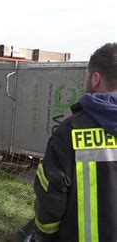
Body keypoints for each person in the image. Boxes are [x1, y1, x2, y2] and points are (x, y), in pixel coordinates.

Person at [33, 43, 117, 241]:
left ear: (96, 78)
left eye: (86, 73)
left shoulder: (71, 131)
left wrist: (44, 237)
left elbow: (50, 201)